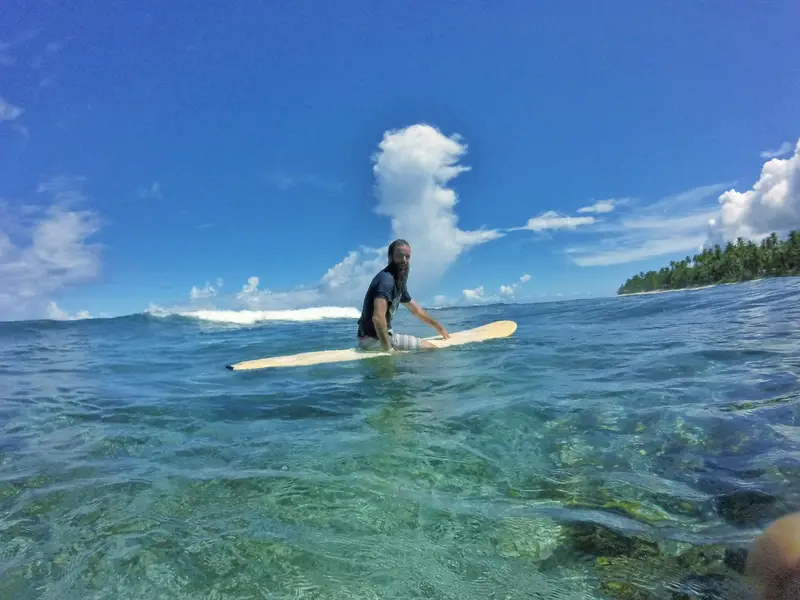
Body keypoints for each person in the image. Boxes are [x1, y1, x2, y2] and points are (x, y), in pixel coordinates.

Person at [357, 238, 450, 352]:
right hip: (372, 340)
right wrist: (389, 350)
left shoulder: (398, 281)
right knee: (431, 348)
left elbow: (417, 311)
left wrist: (440, 328)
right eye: (400, 256)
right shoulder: (386, 281)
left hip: (377, 336)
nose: (404, 260)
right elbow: (378, 318)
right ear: (390, 257)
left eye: (407, 257)